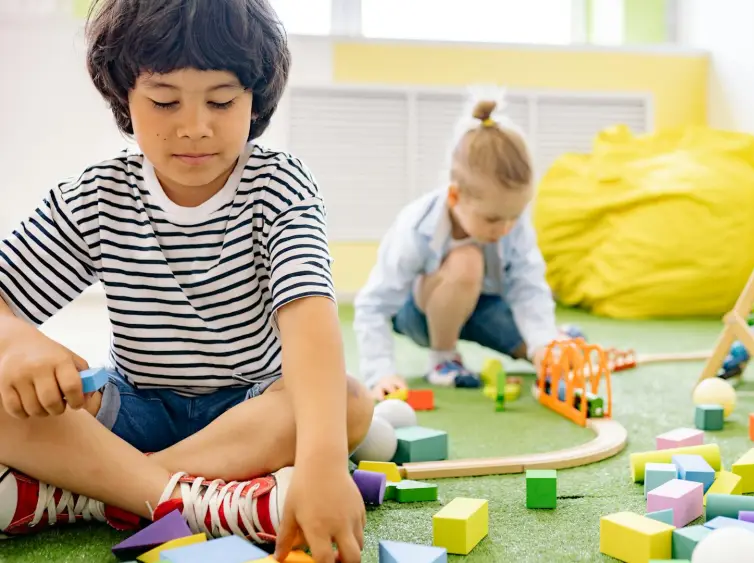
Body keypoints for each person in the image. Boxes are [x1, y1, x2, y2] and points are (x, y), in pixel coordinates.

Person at [0, 1, 371, 562]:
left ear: (255, 98)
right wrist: (18, 342)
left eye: (221, 101)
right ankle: (192, 499)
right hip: (130, 410)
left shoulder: (280, 188)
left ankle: (95, 494)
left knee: (344, 401)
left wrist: (322, 465)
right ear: (125, 94)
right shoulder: (99, 194)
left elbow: (311, 325)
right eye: (165, 100)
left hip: (247, 417)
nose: (194, 127)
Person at [354, 96, 577, 399]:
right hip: (421, 315)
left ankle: (556, 337)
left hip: (483, 309)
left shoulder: (511, 223)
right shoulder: (417, 226)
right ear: (456, 197)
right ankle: (444, 360)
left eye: (515, 216)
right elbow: (374, 305)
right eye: (494, 219)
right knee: (467, 261)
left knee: (544, 352)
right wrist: (380, 372)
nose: (506, 228)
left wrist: (543, 345)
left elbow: (528, 287)